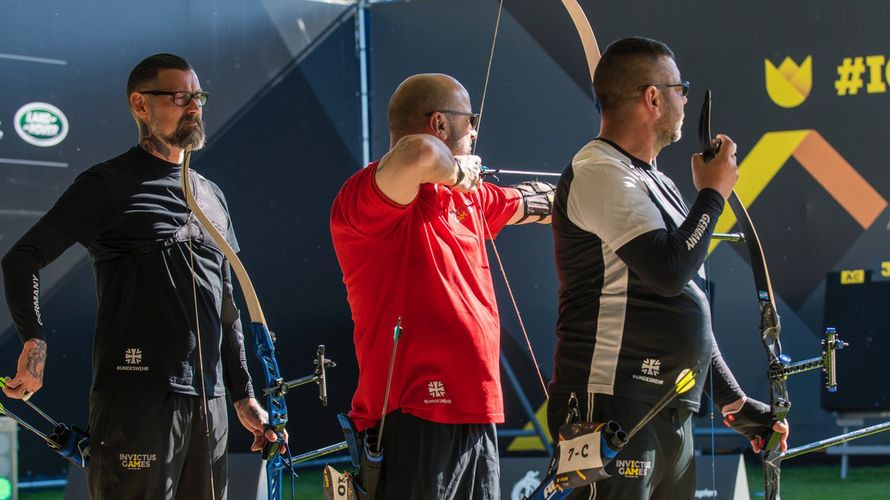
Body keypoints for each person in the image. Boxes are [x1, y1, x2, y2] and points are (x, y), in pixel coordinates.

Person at [1, 53, 281, 499]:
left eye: (198, 97)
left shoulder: (213, 196)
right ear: (140, 104)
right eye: (179, 97)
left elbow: (227, 305)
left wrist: (243, 394)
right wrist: (34, 343)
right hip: (138, 397)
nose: (194, 107)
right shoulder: (108, 183)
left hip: (210, 405)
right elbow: (23, 258)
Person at [547, 37, 790, 499]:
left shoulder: (655, 180)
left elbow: (686, 300)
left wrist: (734, 403)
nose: (685, 99)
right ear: (652, 97)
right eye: (680, 89)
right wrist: (713, 194)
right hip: (611, 405)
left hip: (666, 407)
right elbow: (667, 271)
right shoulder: (599, 168)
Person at [330, 73, 554, 499]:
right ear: (439, 124)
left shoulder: (466, 198)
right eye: (470, 120)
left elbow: (534, 201)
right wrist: (457, 174)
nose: (475, 131)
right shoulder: (366, 198)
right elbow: (415, 153)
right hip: (413, 415)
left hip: (476, 413)